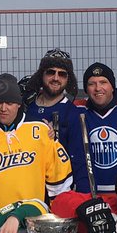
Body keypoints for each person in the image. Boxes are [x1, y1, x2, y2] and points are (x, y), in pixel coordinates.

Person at [0, 73, 73, 212]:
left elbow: (59, 175)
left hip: (30, 218)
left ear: (18, 104)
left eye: (10, 103)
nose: (3, 108)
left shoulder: (40, 130)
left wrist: (59, 211)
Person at [24, 48, 89, 192]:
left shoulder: (72, 113)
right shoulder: (27, 108)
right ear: (41, 74)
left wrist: (84, 196)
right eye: (50, 72)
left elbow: (80, 160)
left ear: (68, 79)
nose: (56, 78)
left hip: (59, 190)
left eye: (62, 74)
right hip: (28, 187)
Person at [77, 62, 117, 195]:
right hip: (91, 194)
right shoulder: (78, 110)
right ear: (86, 89)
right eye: (91, 84)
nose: (98, 88)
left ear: (112, 86)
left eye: (103, 82)